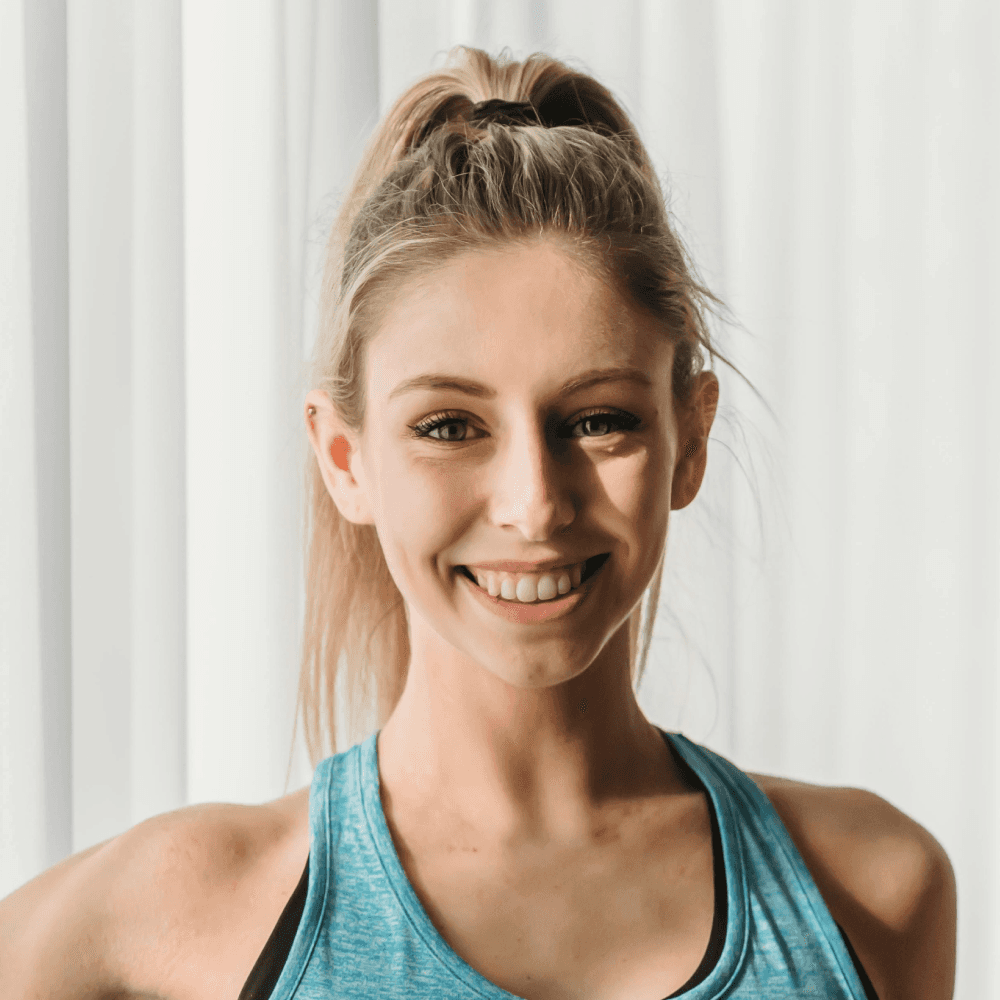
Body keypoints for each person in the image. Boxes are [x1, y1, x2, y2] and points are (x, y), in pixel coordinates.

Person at [1, 46, 956, 1000]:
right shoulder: (168, 923)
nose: (534, 503)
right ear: (345, 459)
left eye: (599, 420)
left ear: (690, 441)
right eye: (450, 427)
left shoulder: (870, 893)